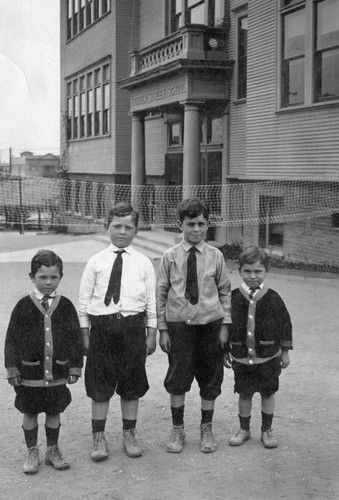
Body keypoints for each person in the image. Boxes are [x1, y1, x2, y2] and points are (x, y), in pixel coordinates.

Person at [78, 202, 157, 461]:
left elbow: (151, 302)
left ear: (136, 230)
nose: (122, 232)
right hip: (102, 328)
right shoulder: (96, 261)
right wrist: (85, 332)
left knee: (131, 383)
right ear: (106, 227)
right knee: (100, 385)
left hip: (133, 328)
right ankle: (98, 437)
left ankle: (129, 434)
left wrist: (152, 331)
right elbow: (84, 300)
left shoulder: (144, 263)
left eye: (128, 227)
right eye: (116, 226)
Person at [157, 198, 232, 454]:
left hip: (210, 324)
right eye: (191, 224)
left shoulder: (216, 256)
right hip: (180, 327)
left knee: (210, 375)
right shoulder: (169, 257)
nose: (196, 230)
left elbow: (225, 292)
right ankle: (178, 428)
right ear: (181, 225)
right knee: (178, 375)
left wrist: (225, 326)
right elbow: (162, 293)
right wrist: (163, 329)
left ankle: (206, 426)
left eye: (201, 224)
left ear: (208, 225)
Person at [4, 250, 83, 474]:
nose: (48, 283)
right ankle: (32, 451)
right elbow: (11, 339)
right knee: (29, 411)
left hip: (57, 370)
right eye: (42, 277)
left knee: (53, 410)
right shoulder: (22, 306)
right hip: (29, 373)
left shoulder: (66, 306)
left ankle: (52, 450)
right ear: (32, 277)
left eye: (53, 278)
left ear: (60, 277)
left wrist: (75, 366)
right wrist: (12, 369)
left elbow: (75, 337)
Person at [225, 246, 292, 448]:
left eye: (258, 271)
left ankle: (267, 430)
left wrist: (285, 352)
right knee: (244, 393)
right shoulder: (233, 298)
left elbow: (285, 325)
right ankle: (244, 429)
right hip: (241, 356)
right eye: (247, 271)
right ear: (239, 271)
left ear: (266, 271)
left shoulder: (274, 298)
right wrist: (224, 351)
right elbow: (225, 326)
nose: (252, 276)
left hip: (268, 357)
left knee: (268, 393)